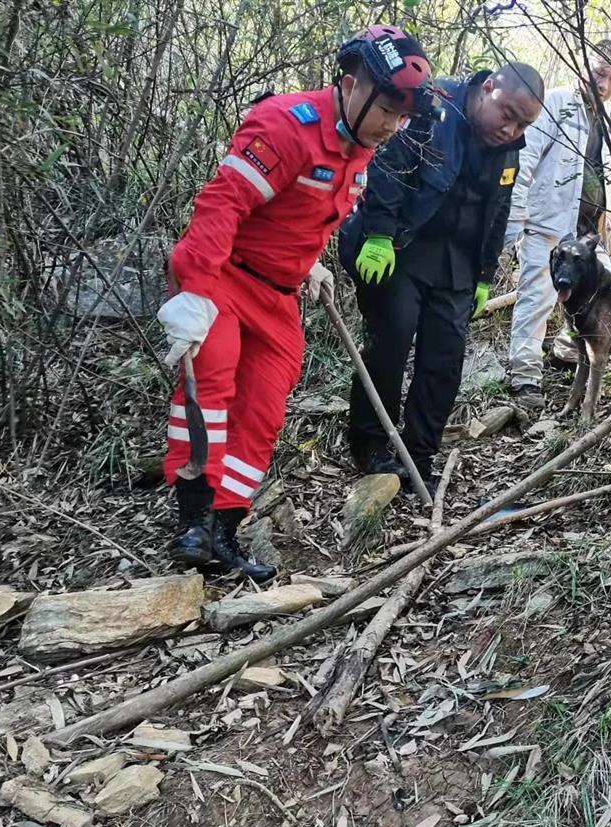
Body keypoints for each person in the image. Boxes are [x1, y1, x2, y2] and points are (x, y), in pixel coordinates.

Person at [156, 26, 435, 582]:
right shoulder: (285, 126)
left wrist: (310, 263)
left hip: (279, 295)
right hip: (224, 278)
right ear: (351, 85)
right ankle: (193, 522)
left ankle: (225, 532)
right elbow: (222, 206)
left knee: (263, 411)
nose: (392, 126)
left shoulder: (361, 147)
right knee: (210, 389)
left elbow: (297, 215)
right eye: (386, 109)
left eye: (402, 117)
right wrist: (192, 292)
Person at [339, 63, 544, 487]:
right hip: (405, 249)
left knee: (444, 360)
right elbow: (388, 165)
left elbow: (499, 208)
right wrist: (377, 235)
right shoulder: (433, 105)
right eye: (507, 115)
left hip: (459, 264)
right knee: (389, 344)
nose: (511, 130)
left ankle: (419, 457)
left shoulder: (510, 146)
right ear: (487, 89)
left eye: (523, 123)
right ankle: (371, 446)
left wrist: (486, 273)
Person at [504, 40, 611, 410]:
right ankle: (525, 379)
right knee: (538, 297)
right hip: (549, 224)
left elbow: (606, 177)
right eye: (599, 72)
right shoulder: (557, 104)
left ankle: (573, 349)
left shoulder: (605, 121)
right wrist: (517, 221)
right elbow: (524, 159)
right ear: (583, 67)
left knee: (604, 292)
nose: (604, 83)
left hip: (588, 235)